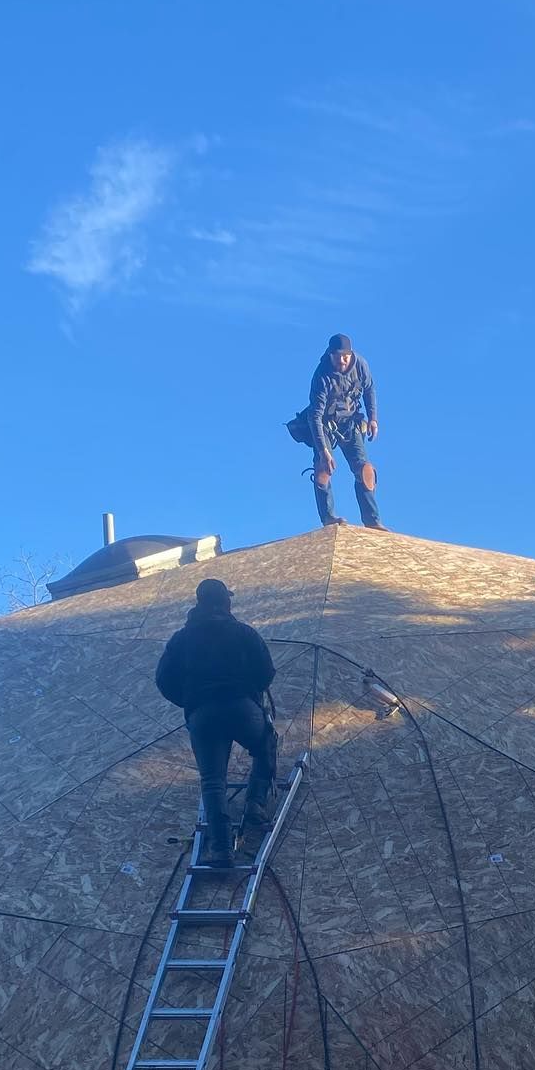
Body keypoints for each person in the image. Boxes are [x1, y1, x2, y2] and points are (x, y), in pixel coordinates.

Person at [155, 578, 278, 869]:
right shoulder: (243, 633)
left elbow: (163, 680)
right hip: (240, 705)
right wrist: (251, 692)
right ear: (226, 602)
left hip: (203, 713)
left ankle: (221, 848)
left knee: (212, 781)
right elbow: (266, 671)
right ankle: (256, 802)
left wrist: (189, 701)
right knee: (265, 744)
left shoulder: (181, 639)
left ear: (199, 603)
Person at [299, 333, 387, 531]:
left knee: (365, 470)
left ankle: (372, 520)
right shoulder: (322, 375)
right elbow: (315, 416)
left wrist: (373, 418)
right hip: (325, 424)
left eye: (345, 356)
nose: (342, 360)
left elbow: (369, 389)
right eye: (338, 356)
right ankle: (328, 517)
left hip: (350, 422)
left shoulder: (360, 365)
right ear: (330, 355)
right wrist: (323, 451)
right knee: (323, 470)